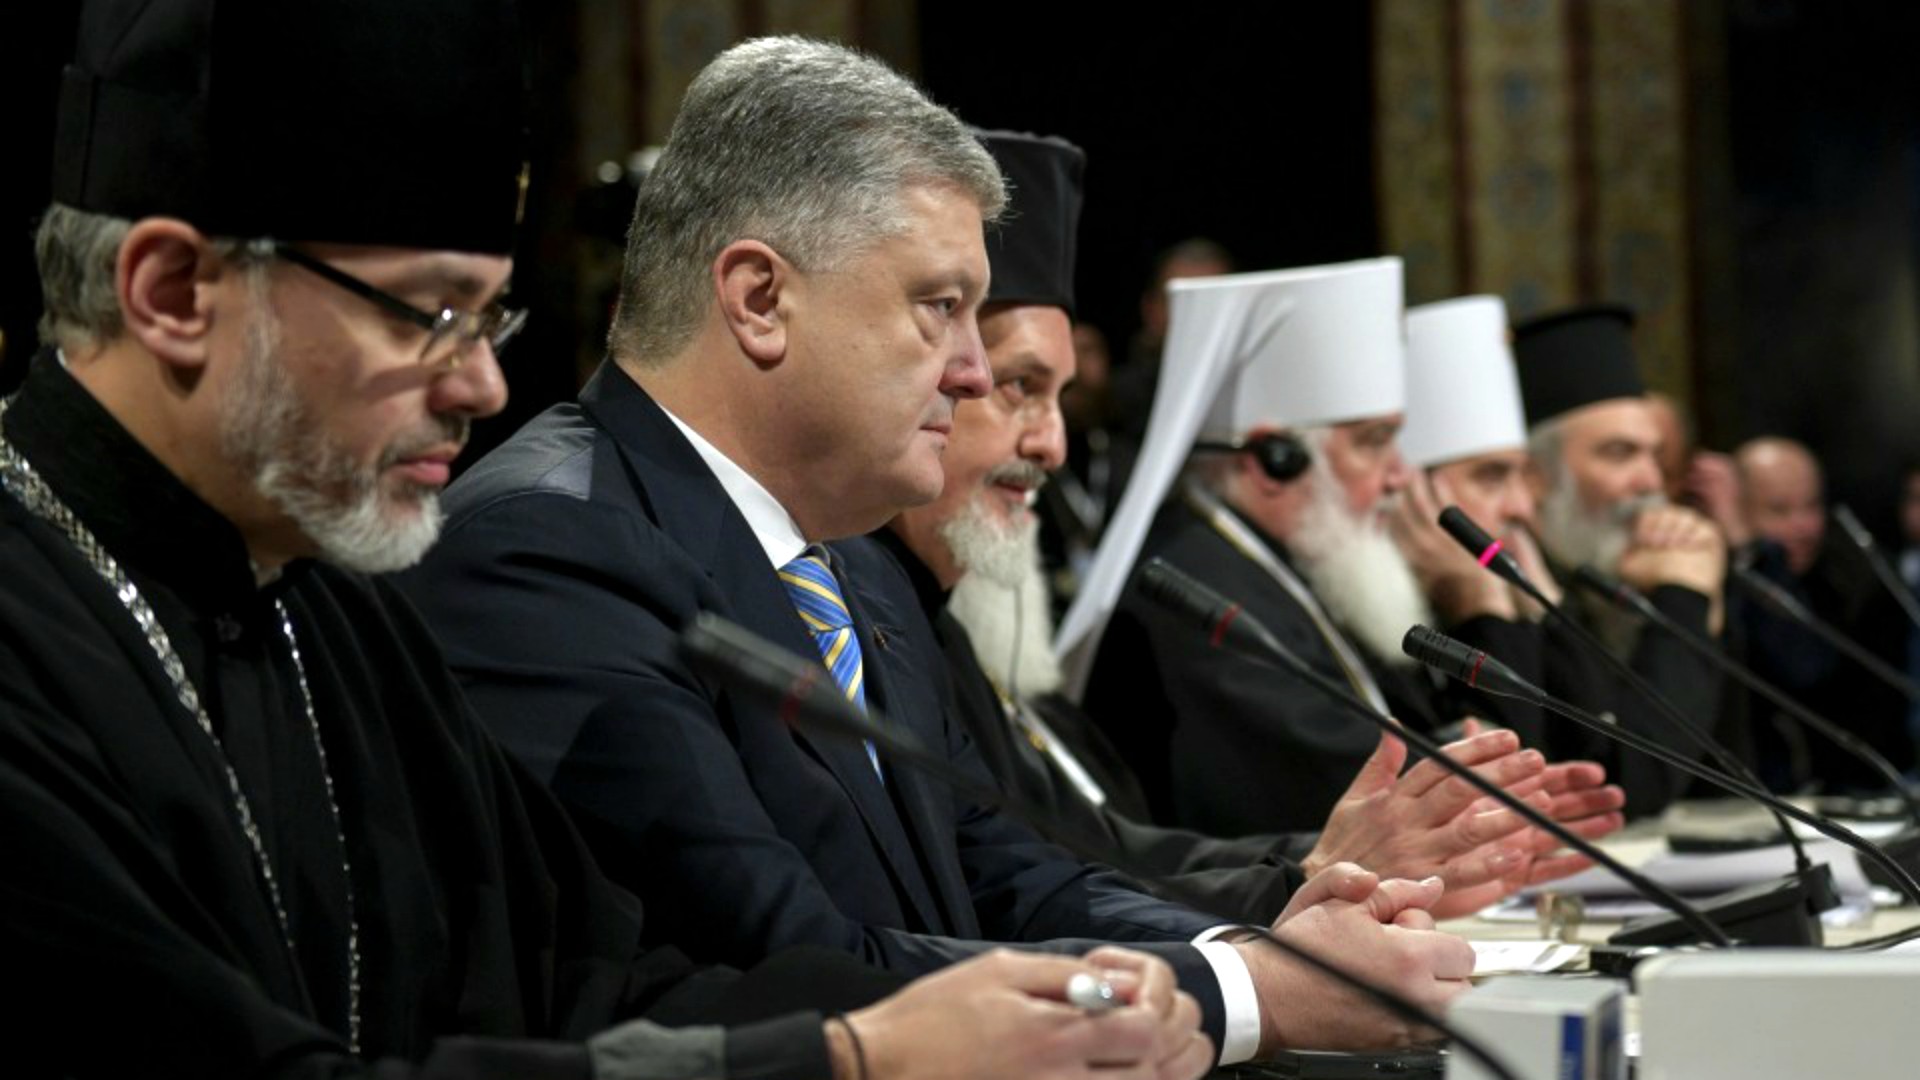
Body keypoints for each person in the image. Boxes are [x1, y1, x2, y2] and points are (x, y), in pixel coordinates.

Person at [0, 6, 1208, 1078]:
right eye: (429, 315)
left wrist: (997, 1014)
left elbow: (601, 982)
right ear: (171, 292)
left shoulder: (340, 616)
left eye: (491, 318)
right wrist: (851, 1057)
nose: (481, 383)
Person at [402, 40, 1474, 1064]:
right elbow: (788, 963)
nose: (970, 372)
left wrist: (1267, 945)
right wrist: (1249, 995)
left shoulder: (850, 559)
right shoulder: (547, 547)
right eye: (941, 308)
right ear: (759, 298)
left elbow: (1004, 871)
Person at [879, 135, 1623, 924]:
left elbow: (1100, 847)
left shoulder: (1296, 583)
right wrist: (1314, 872)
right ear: (1272, 457)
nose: (1052, 445)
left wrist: (1313, 868)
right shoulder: (1191, 596)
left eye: (1058, 396)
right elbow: (1028, 887)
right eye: (1018, 387)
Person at [1081, 259, 1528, 836]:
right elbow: (1335, 782)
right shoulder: (1188, 585)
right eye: (1373, 443)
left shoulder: (1288, 564)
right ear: (1275, 462)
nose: (1399, 476)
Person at [1515, 305, 1742, 816]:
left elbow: (1727, 782)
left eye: (1654, 456)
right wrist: (1682, 600)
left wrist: (1707, 600)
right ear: (1535, 477)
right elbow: (1632, 787)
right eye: (1619, 454)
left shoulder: (1619, 569)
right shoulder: (1517, 594)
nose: (1651, 483)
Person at [1732, 437, 1913, 790]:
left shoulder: (1855, 576)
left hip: (1850, 790)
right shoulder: (1721, 569)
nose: (1803, 526)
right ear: (1736, 509)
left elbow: (1805, 667)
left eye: (1812, 506)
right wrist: (1750, 555)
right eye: (1779, 510)